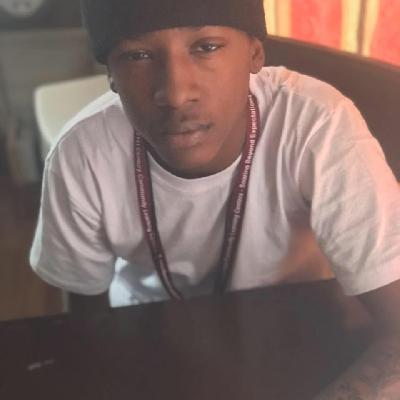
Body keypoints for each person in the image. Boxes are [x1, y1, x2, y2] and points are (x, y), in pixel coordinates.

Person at [30, 0, 400, 397]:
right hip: (149, 333)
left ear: (255, 53)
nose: (175, 93)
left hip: (299, 327)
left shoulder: (319, 126)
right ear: (111, 75)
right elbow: (85, 327)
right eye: (138, 55)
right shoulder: (81, 155)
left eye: (206, 47)